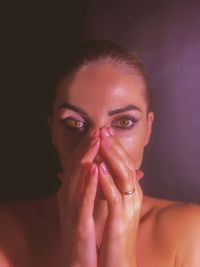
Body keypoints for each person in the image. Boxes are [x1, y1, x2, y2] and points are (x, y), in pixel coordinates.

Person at [0, 40, 200, 267]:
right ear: (52, 132)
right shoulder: (5, 233)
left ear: (148, 129)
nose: (99, 146)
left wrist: (121, 259)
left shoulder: (190, 233)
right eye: (74, 124)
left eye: (124, 122)